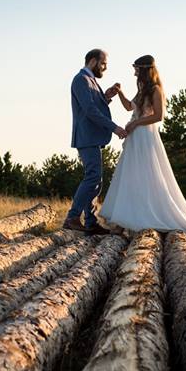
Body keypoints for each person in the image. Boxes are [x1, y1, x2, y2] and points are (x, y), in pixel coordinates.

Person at [99, 55, 186, 236]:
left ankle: (141, 218)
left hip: (145, 135)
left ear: (144, 69)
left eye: (136, 68)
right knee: (130, 176)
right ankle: (122, 220)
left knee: (145, 175)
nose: (134, 72)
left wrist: (136, 123)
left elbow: (159, 116)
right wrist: (119, 93)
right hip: (135, 137)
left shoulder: (156, 89)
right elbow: (129, 107)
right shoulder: (142, 89)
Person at [63, 48, 128, 234]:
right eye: (103, 63)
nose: (105, 68)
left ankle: (90, 222)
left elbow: (93, 105)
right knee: (92, 177)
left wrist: (106, 97)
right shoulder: (81, 80)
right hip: (86, 136)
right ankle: (73, 217)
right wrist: (114, 127)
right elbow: (90, 110)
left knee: (96, 180)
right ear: (93, 61)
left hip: (92, 137)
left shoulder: (89, 81)